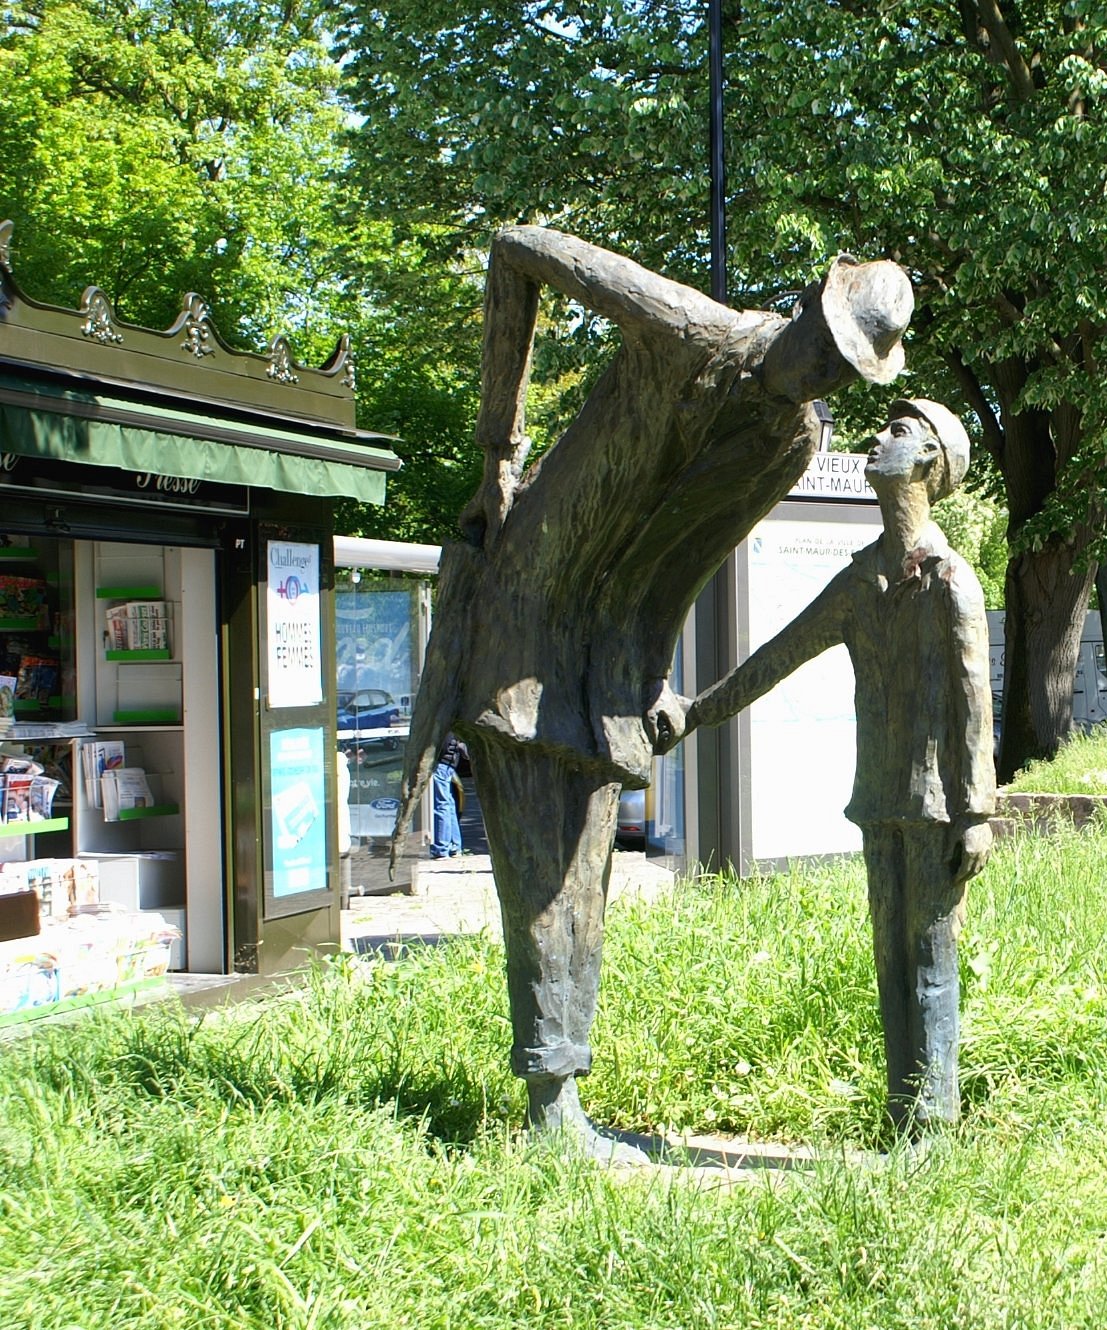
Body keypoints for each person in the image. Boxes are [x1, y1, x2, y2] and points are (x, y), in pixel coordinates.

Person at [402, 226, 913, 1159]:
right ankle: (550, 1108)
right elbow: (515, 252)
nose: (825, 380)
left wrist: (649, 680)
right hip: (525, 620)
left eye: (847, 372)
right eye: (827, 350)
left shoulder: (793, 443)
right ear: (806, 307)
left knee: (583, 879)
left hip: (607, 670)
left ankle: (561, 1102)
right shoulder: (688, 329)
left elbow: (684, 557)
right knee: (542, 878)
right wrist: (495, 459)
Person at [676, 399, 996, 1132]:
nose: (875, 440)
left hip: (938, 808)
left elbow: (976, 704)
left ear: (927, 464)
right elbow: (778, 655)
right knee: (890, 961)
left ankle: (935, 1128)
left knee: (931, 960)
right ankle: (902, 1115)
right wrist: (696, 710)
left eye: (897, 432)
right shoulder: (861, 582)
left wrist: (977, 815)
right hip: (878, 798)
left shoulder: (951, 580)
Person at [429, 734, 470, 858]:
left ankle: (441, 848)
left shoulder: (439, 717)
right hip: (449, 760)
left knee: (441, 805)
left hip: (440, 761)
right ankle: (454, 846)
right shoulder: (450, 718)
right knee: (448, 804)